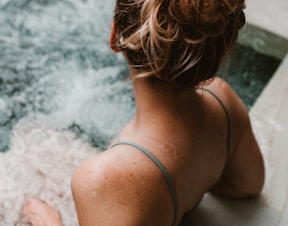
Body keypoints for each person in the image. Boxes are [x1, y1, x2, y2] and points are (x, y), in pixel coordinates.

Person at [21, 0, 265, 225]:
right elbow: (248, 185)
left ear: (114, 36)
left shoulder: (102, 180)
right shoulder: (223, 101)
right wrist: (192, 175)